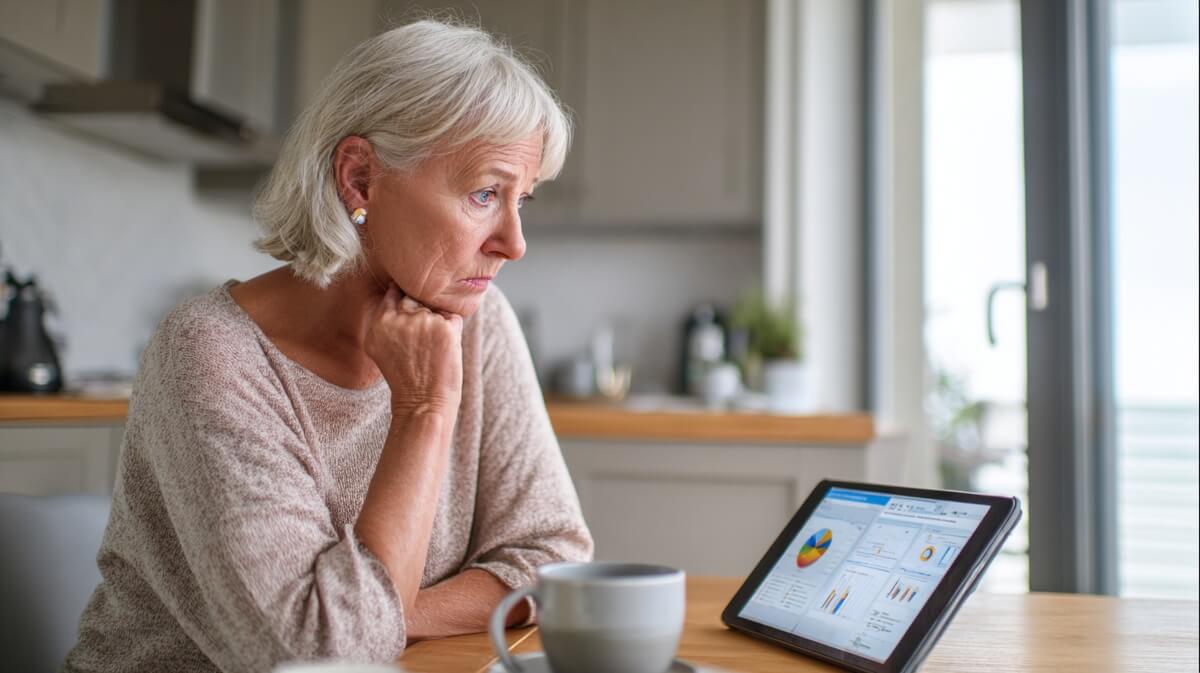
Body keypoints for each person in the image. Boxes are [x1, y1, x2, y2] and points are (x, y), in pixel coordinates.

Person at [64, 19, 592, 672]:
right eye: (486, 193)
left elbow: (557, 559)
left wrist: (390, 610)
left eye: (523, 201)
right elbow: (319, 655)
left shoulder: (476, 317)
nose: (513, 243)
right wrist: (424, 410)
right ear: (361, 179)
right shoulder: (210, 353)